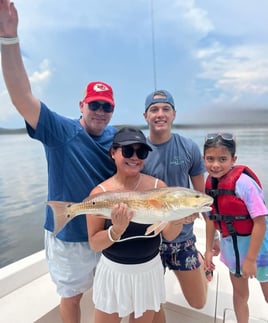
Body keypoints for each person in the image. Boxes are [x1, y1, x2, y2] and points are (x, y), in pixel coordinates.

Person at [0, 2, 117, 322]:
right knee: (72, 297)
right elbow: (22, 97)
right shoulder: (59, 130)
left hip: (107, 232)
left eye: (107, 107)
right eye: (94, 104)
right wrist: (9, 38)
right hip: (68, 235)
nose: (100, 112)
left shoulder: (119, 140)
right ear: (82, 104)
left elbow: (148, 160)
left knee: (109, 294)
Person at [86, 127, 189, 323]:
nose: (135, 157)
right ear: (113, 153)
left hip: (148, 271)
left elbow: (169, 235)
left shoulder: (159, 188)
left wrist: (178, 218)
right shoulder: (100, 194)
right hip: (113, 272)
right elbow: (94, 243)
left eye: (141, 152)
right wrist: (115, 231)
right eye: (127, 151)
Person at [142, 89, 220, 322]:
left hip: (183, 238)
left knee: (198, 302)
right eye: (154, 109)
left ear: (174, 114)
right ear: (145, 116)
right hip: (151, 238)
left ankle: (196, 260)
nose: (160, 114)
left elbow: (201, 196)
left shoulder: (188, 148)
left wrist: (212, 237)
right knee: (153, 303)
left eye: (166, 109)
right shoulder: (138, 153)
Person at [203, 132, 268, 323]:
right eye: (210, 159)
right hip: (232, 249)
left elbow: (260, 222)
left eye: (222, 159)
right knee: (240, 296)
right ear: (203, 159)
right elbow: (210, 218)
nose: (215, 164)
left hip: (260, 252)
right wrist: (208, 249)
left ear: (234, 160)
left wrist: (251, 259)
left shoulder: (244, 184)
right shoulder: (210, 184)